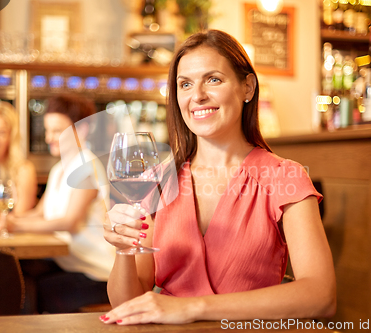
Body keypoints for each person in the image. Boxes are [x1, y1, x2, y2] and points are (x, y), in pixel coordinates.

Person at [100, 30, 336, 325]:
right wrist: (124, 250)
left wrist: (191, 308)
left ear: (247, 87)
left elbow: (321, 296)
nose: (197, 96)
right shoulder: (157, 181)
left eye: (213, 79)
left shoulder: (285, 176)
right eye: (185, 84)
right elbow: (127, 305)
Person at [0, 95, 115, 313]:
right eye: (47, 130)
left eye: (57, 131)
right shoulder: (60, 168)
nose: (48, 138)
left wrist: (14, 225)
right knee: (16, 275)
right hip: (69, 263)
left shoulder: (86, 167)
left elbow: (69, 222)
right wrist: (4, 219)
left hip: (96, 274)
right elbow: (39, 213)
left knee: (26, 288)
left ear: (81, 130)